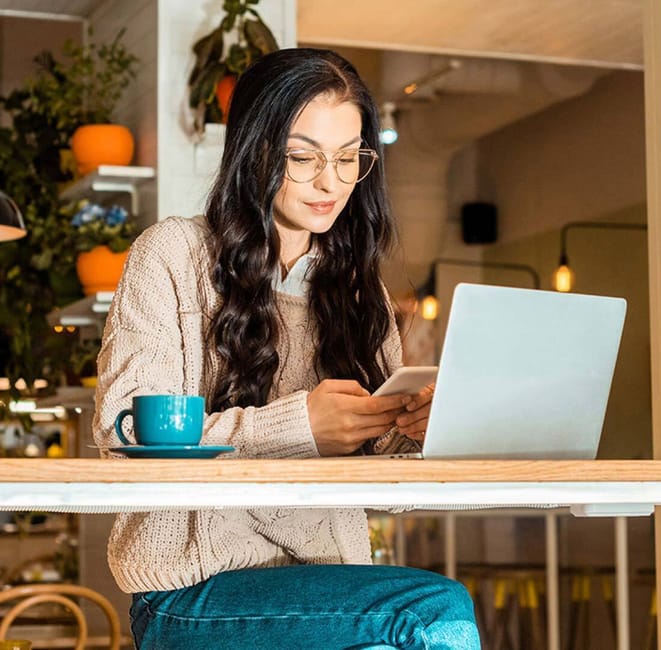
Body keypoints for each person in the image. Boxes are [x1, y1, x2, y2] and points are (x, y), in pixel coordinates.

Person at [93, 47, 480, 648]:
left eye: (350, 158)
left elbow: (392, 488)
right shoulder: (171, 255)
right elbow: (126, 435)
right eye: (304, 158)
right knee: (434, 612)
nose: (331, 182)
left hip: (332, 585)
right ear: (256, 150)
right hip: (190, 589)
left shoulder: (360, 291)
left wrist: (423, 433)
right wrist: (300, 426)